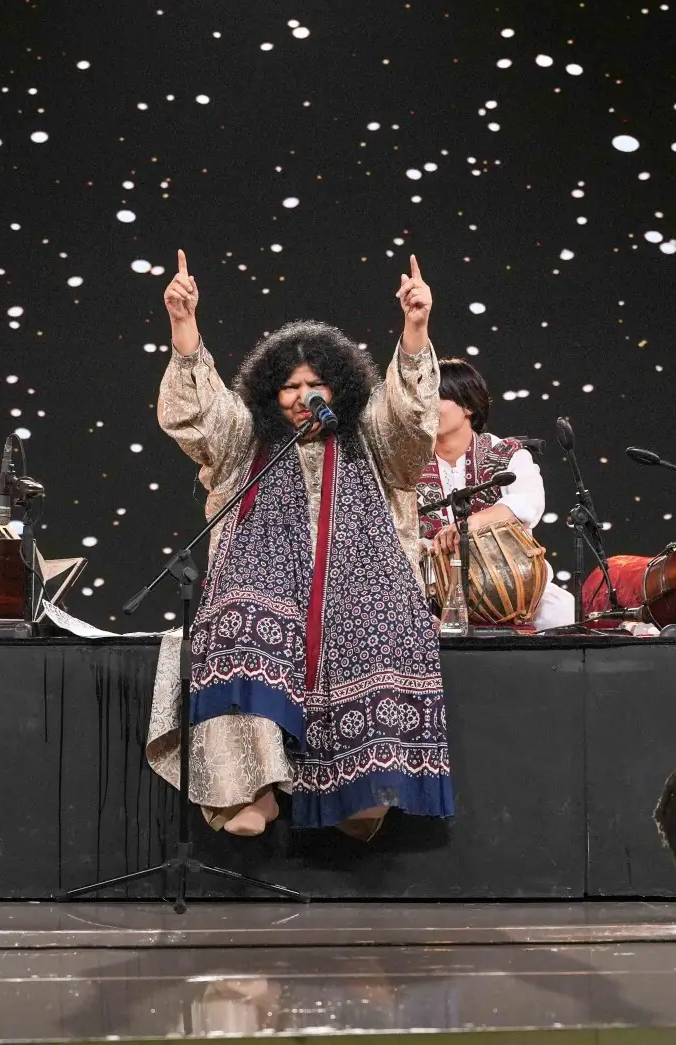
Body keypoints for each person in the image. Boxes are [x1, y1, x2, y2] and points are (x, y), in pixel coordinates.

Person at [147, 250, 452, 841]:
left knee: (381, 617)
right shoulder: (248, 438)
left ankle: (361, 789)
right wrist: (184, 328)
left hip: (362, 583)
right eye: (290, 386)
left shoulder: (370, 436)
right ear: (270, 394)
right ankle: (252, 791)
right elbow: (200, 416)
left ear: (339, 388)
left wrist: (415, 331)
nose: (302, 396)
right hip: (266, 585)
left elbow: (413, 429)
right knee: (238, 619)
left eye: (316, 385)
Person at [418, 359, 580, 629]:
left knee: (562, 611)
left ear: (467, 405)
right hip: (433, 591)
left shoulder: (506, 454)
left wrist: (467, 526)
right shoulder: (409, 466)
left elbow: (527, 503)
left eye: (436, 397)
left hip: (508, 584)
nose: (425, 408)